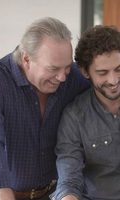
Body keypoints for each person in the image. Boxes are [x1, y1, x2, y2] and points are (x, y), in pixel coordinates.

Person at [0, 17, 89, 200]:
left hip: (47, 193)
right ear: (26, 59)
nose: (62, 77)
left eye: (67, 67)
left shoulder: (73, 79)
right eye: (53, 69)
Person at [51, 25, 120, 200]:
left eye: (119, 69)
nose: (113, 81)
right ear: (84, 71)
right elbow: (69, 180)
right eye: (103, 73)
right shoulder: (74, 116)